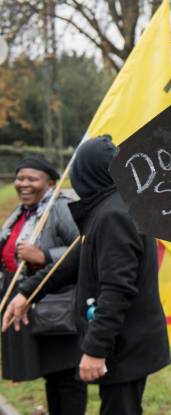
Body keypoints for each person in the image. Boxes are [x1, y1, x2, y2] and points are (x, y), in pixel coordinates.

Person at [3, 137, 171, 415]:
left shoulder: (114, 215)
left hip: (125, 343)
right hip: (122, 341)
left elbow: (117, 289)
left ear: (86, 172)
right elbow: (74, 260)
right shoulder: (107, 209)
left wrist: (96, 350)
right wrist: (27, 292)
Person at [0, 156, 87, 414]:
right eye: (19, 178)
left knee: (67, 375)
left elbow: (83, 246)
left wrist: (45, 256)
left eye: (31, 178)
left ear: (50, 182)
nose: (23, 184)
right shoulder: (22, 213)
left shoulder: (59, 208)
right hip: (32, 305)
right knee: (52, 373)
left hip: (58, 306)